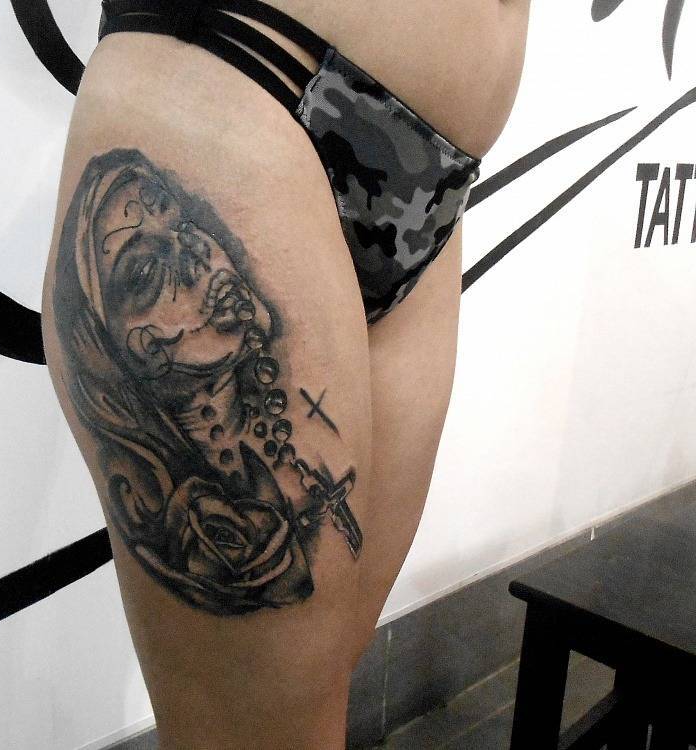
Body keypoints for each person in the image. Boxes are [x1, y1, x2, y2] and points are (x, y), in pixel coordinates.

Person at [42, 1, 532, 746]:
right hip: (238, 68)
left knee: (316, 686)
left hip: (428, 176)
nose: (195, 255)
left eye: (180, 226)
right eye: (149, 270)